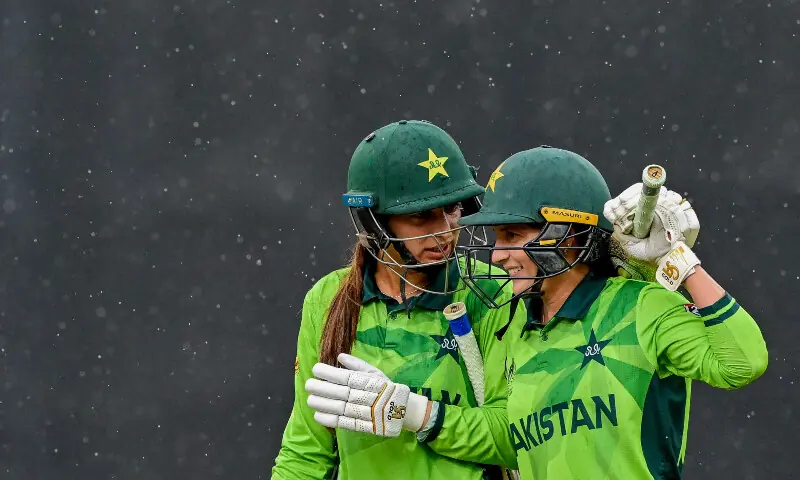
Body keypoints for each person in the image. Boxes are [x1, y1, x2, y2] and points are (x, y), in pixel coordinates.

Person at [454, 146, 769, 479]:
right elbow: (508, 441)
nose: (496, 256)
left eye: (512, 235)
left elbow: (742, 364)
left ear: (567, 235)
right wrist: (423, 416)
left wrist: (679, 260)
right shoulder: (516, 329)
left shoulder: (642, 306)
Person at [271, 120, 523, 480]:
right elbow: (306, 452)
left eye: (452, 208)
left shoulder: (494, 288)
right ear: (373, 222)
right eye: (421, 215)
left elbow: (517, 437)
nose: (445, 230)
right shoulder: (327, 298)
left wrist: (417, 413)